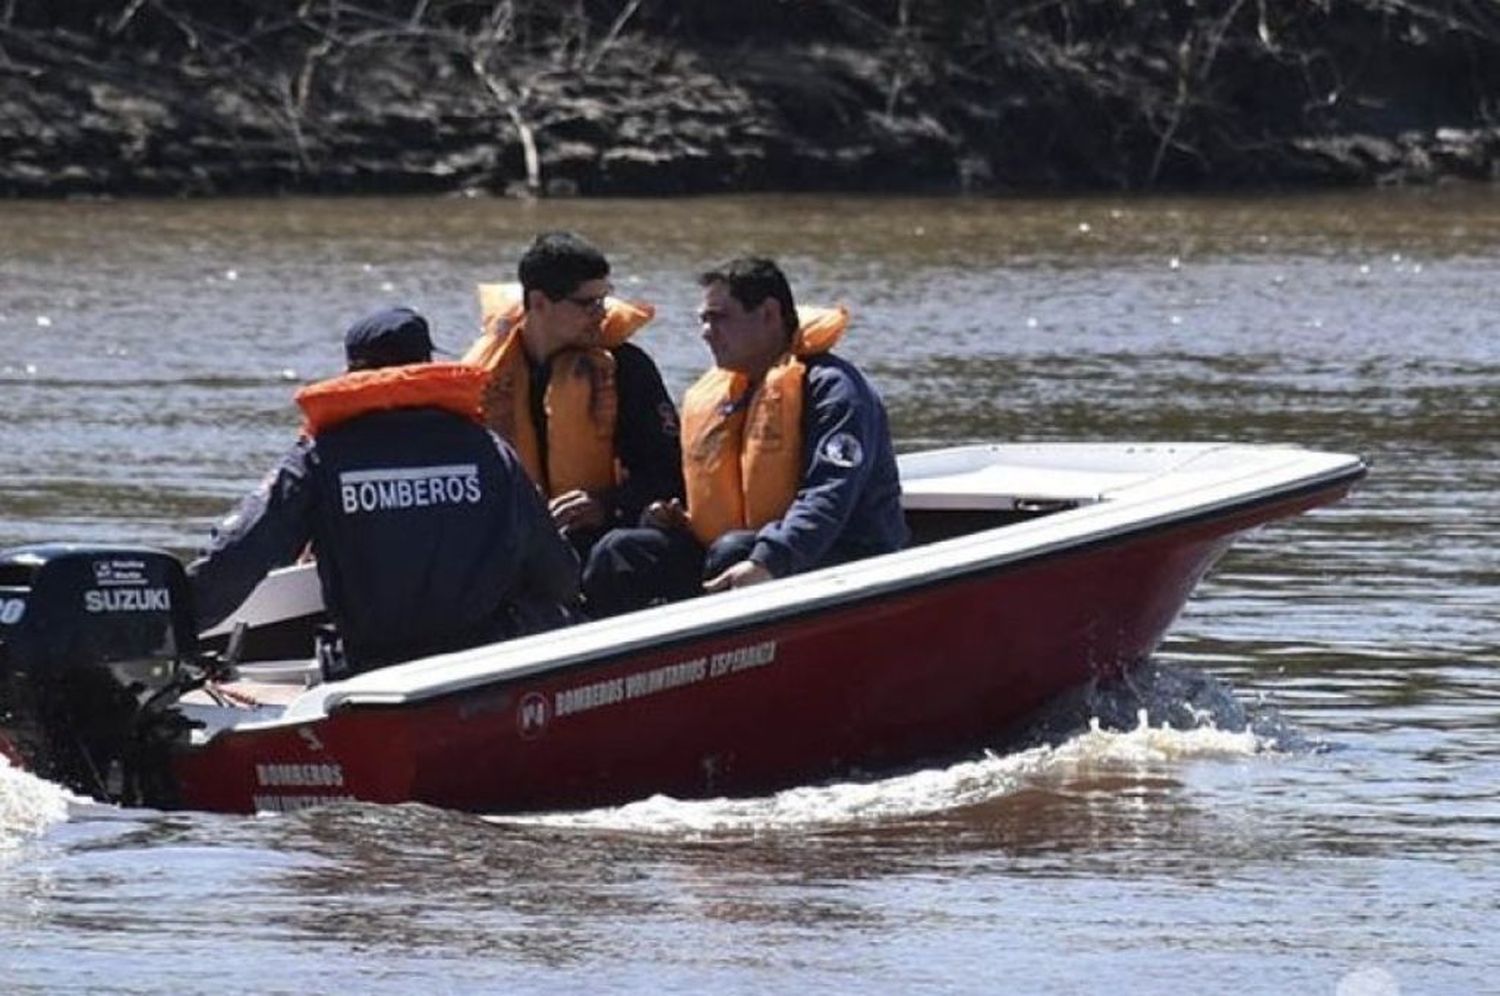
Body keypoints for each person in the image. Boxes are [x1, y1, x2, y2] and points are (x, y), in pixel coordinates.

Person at [188, 306, 580, 676]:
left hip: (368, 674)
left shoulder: (319, 458)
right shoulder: (489, 453)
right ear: (427, 365)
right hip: (474, 668)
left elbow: (239, 553)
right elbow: (557, 576)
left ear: (352, 371)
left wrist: (174, 626)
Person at [582, 257, 907, 616]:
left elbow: (829, 496)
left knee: (733, 550)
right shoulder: (727, 392)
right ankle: (620, 664)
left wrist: (769, 560)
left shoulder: (835, 391)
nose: (706, 331)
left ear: (769, 314)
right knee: (621, 549)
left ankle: (721, 662)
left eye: (718, 317)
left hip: (841, 560)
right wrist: (672, 517)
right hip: (742, 551)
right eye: (703, 319)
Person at [462, 231, 683, 559]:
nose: (601, 313)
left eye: (603, 300)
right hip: (517, 539)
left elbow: (668, 473)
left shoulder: (628, 368)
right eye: (587, 303)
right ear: (539, 303)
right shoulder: (487, 375)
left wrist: (605, 505)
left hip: (602, 534)